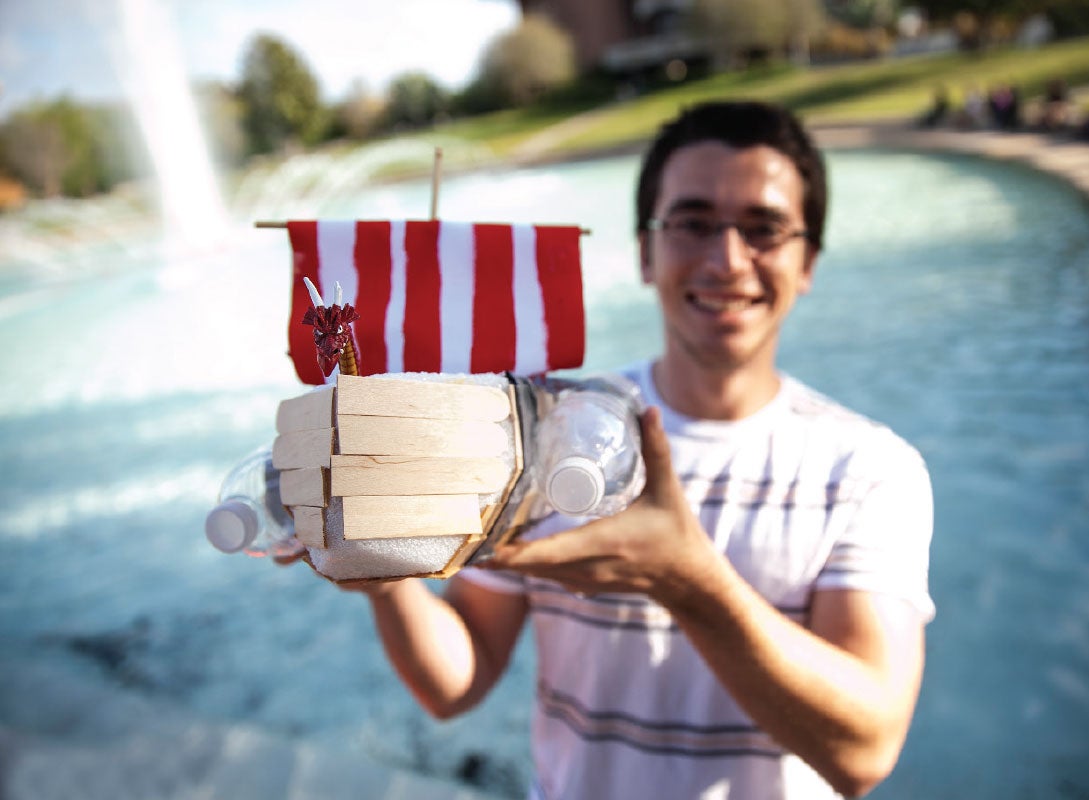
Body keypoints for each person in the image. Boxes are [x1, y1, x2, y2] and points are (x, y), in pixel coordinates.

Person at [350, 101, 935, 799]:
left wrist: (689, 583)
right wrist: (385, 572)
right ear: (643, 252)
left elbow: (865, 750)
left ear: (807, 261)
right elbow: (457, 679)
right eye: (692, 223)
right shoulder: (547, 429)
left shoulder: (867, 469)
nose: (727, 260)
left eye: (765, 229)